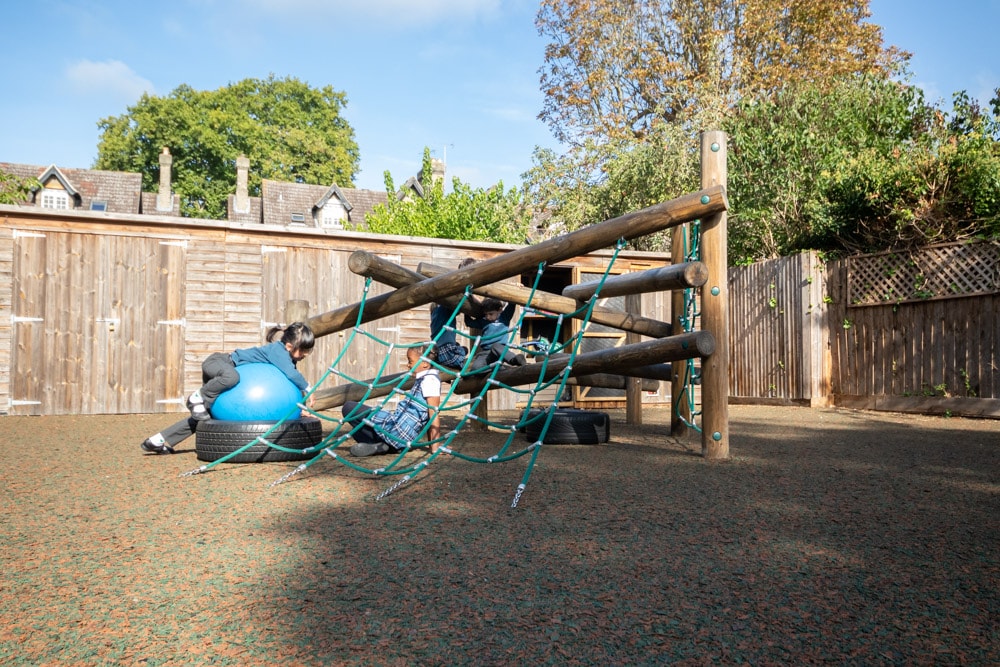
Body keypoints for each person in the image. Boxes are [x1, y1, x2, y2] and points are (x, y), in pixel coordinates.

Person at [140, 323, 316, 454]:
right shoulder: (278, 351)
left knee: (207, 415)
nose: (305, 356)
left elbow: (288, 388)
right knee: (232, 377)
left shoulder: (287, 358)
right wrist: (309, 388)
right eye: (303, 351)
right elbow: (292, 376)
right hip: (219, 363)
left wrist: (301, 409)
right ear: (289, 346)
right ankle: (196, 397)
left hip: (225, 374)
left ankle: (158, 440)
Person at [341, 345, 442, 457]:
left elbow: (433, 414)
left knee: (349, 408)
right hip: (402, 434)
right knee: (358, 426)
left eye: (410, 361)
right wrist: (431, 443)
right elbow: (428, 414)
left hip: (396, 429)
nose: (408, 365)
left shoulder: (430, 380)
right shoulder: (426, 378)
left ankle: (383, 444)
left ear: (425, 364)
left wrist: (435, 446)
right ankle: (386, 446)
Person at [430, 257, 479, 369]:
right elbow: (466, 298)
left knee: (460, 348)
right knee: (466, 355)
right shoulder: (445, 306)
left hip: (437, 351)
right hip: (447, 350)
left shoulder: (436, 311)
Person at [467, 297, 526, 370]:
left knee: (496, 346)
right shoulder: (484, 321)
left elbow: (512, 303)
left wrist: (516, 288)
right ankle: (495, 369)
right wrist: (465, 311)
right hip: (485, 353)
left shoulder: (504, 317)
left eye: (491, 314)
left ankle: (514, 359)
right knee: (475, 368)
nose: (488, 317)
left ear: (500, 310)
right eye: (486, 314)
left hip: (499, 352)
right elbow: (469, 323)